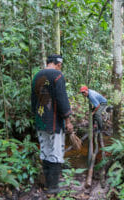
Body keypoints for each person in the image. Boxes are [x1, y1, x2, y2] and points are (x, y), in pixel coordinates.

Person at [31, 54, 73, 194]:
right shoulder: (57, 76)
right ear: (59, 64)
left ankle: (48, 184)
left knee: (45, 151)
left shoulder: (36, 76)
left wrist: (36, 117)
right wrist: (68, 120)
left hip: (40, 121)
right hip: (54, 123)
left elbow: (33, 102)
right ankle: (54, 187)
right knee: (55, 152)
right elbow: (62, 100)